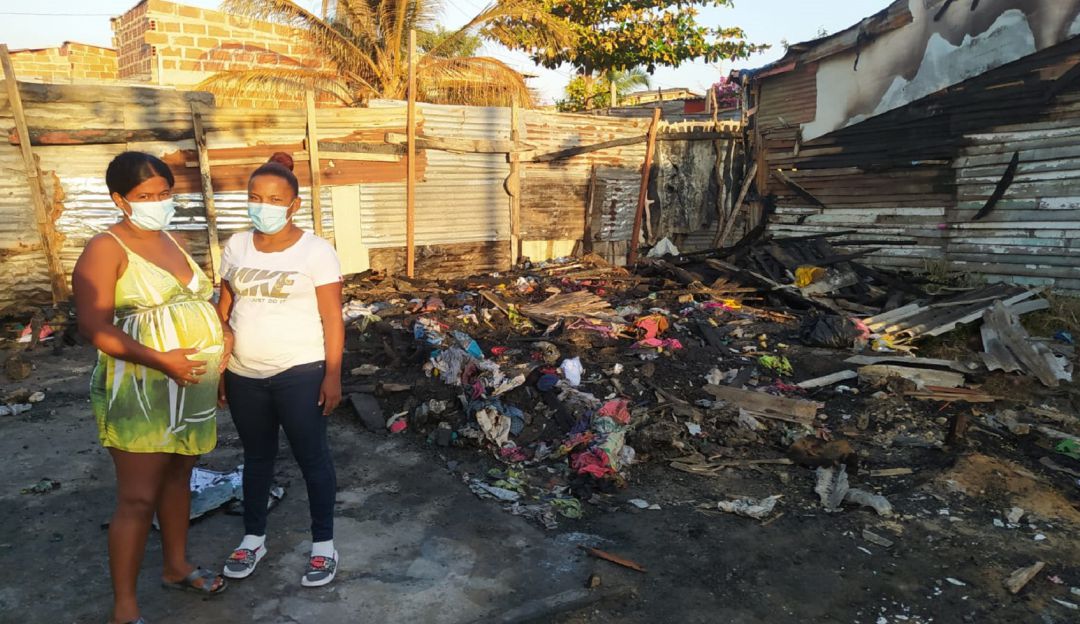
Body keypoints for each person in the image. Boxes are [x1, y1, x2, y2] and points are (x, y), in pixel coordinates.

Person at [73, 151, 229, 624]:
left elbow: (200, 301)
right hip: (140, 388)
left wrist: (223, 333)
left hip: (192, 385)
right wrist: (159, 360)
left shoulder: (173, 239)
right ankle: (125, 610)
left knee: (180, 479)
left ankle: (176, 566)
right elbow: (93, 327)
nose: (159, 202)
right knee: (138, 497)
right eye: (146, 196)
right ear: (120, 200)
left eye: (165, 193)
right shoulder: (105, 248)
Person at [217, 152, 344, 587]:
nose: (263, 206)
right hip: (243, 372)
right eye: (255, 197)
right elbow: (226, 307)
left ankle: (323, 546)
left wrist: (332, 375)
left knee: (312, 458)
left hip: (300, 371)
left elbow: (332, 318)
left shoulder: (316, 251)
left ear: (293, 205)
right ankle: (253, 538)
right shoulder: (235, 246)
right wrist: (219, 368)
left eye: (274, 199)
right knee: (256, 458)